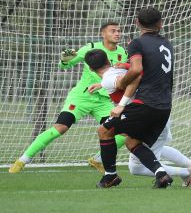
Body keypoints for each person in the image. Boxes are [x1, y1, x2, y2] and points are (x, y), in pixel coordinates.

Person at [9, 22, 127, 173]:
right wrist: (65, 58)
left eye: (118, 31)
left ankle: (97, 159)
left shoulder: (122, 52)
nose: (117, 33)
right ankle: (22, 160)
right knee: (61, 127)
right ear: (103, 34)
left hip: (103, 101)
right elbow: (65, 65)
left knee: (124, 132)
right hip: (81, 97)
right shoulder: (90, 48)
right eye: (113, 31)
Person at [85, 52, 191, 187]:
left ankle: (189, 172)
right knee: (138, 143)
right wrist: (102, 84)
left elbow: (129, 78)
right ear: (108, 61)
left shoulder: (110, 78)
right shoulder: (118, 70)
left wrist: (119, 102)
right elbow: (130, 76)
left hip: (145, 114)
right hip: (156, 112)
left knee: (136, 167)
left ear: (91, 69)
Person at [96, 7, 174, 188]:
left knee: (103, 131)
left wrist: (122, 85)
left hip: (146, 104)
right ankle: (161, 174)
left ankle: (110, 176)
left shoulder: (137, 43)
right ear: (160, 24)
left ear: (137, 23)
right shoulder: (166, 43)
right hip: (164, 106)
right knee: (132, 141)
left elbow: (137, 70)